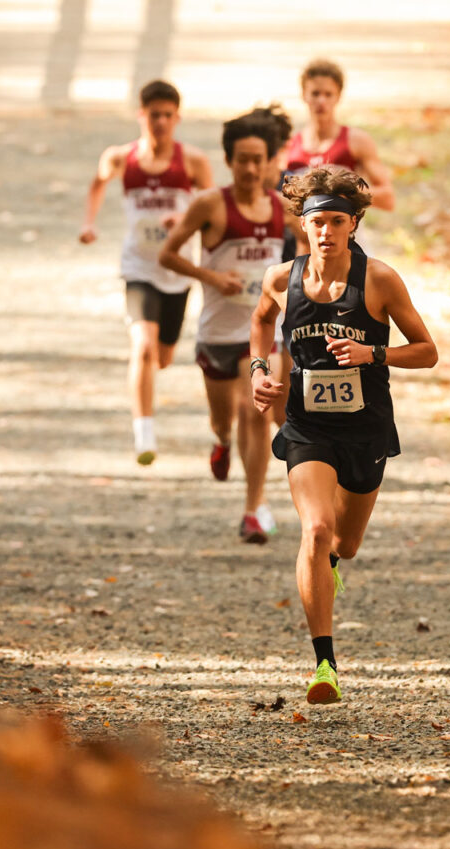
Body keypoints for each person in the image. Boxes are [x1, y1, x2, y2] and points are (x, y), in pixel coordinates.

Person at [249, 167, 438, 704]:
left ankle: (329, 566)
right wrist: (259, 371)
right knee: (316, 529)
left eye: (337, 221)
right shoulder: (281, 280)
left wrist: (371, 352)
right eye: (317, 222)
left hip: (366, 428)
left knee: (344, 545)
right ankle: (325, 666)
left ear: (354, 224)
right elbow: (260, 323)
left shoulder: (378, 280)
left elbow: (427, 352)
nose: (326, 231)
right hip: (307, 426)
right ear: (302, 225)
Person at [158, 109, 300, 543]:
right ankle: (220, 441)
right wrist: (213, 277)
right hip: (217, 333)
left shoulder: (281, 208)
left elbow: (311, 249)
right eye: (243, 160)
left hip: (262, 332)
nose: (251, 169)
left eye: (259, 160)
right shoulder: (210, 205)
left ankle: (254, 508)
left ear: (269, 161)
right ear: (229, 160)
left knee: (253, 410)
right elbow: (168, 255)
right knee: (224, 419)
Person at [79, 79, 214, 465]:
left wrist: (184, 219)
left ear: (177, 118)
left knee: (163, 357)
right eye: (154, 115)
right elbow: (97, 184)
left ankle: (148, 388)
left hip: (177, 271)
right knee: (142, 347)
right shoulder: (120, 158)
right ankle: (144, 433)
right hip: (139, 267)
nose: (161, 122)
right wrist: (89, 223)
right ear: (141, 115)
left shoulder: (193, 162)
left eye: (168, 115)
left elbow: (213, 208)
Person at [278, 59, 395, 261]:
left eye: (328, 94)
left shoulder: (356, 141)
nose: (321, 101)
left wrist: (342, 192)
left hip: (349, 246)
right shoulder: (290, 147)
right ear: (304, 95)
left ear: (338, 96)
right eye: (315, 93)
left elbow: (387, 198)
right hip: (305, 251)